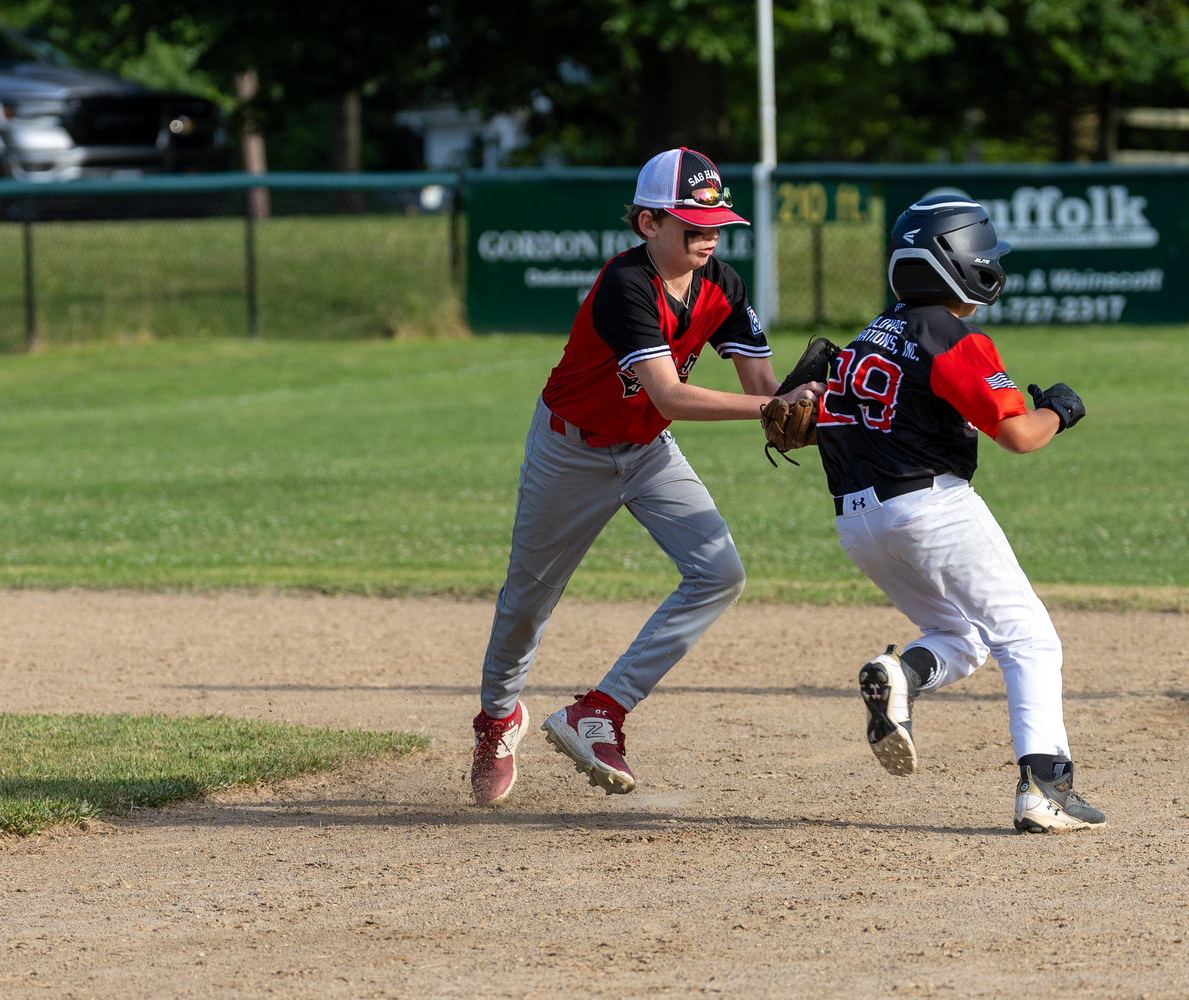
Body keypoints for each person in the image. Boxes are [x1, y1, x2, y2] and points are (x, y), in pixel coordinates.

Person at [469, 147, 823, 805]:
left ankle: (600, 711)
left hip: (648, 451)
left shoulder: (725, 285)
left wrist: (812, 404)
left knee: (719, 573)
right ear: (647, 224)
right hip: (571, 451)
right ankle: (496, 720)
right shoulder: (625, 285)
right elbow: (673, 396)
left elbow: (766, 389)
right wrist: (773, 407)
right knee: (528, 602)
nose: (708, 232)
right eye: (691, 221)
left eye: (714, 219)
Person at [809, 193, 1106, 833]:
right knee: (1029, 637)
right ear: (962, 262)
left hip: (857, 521)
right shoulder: (952, 335)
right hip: (929, 506)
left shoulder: (868, 338)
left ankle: (902, 673)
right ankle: (1047, 787)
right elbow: (1019, 435)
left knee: (962, 638)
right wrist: (1060, 409)